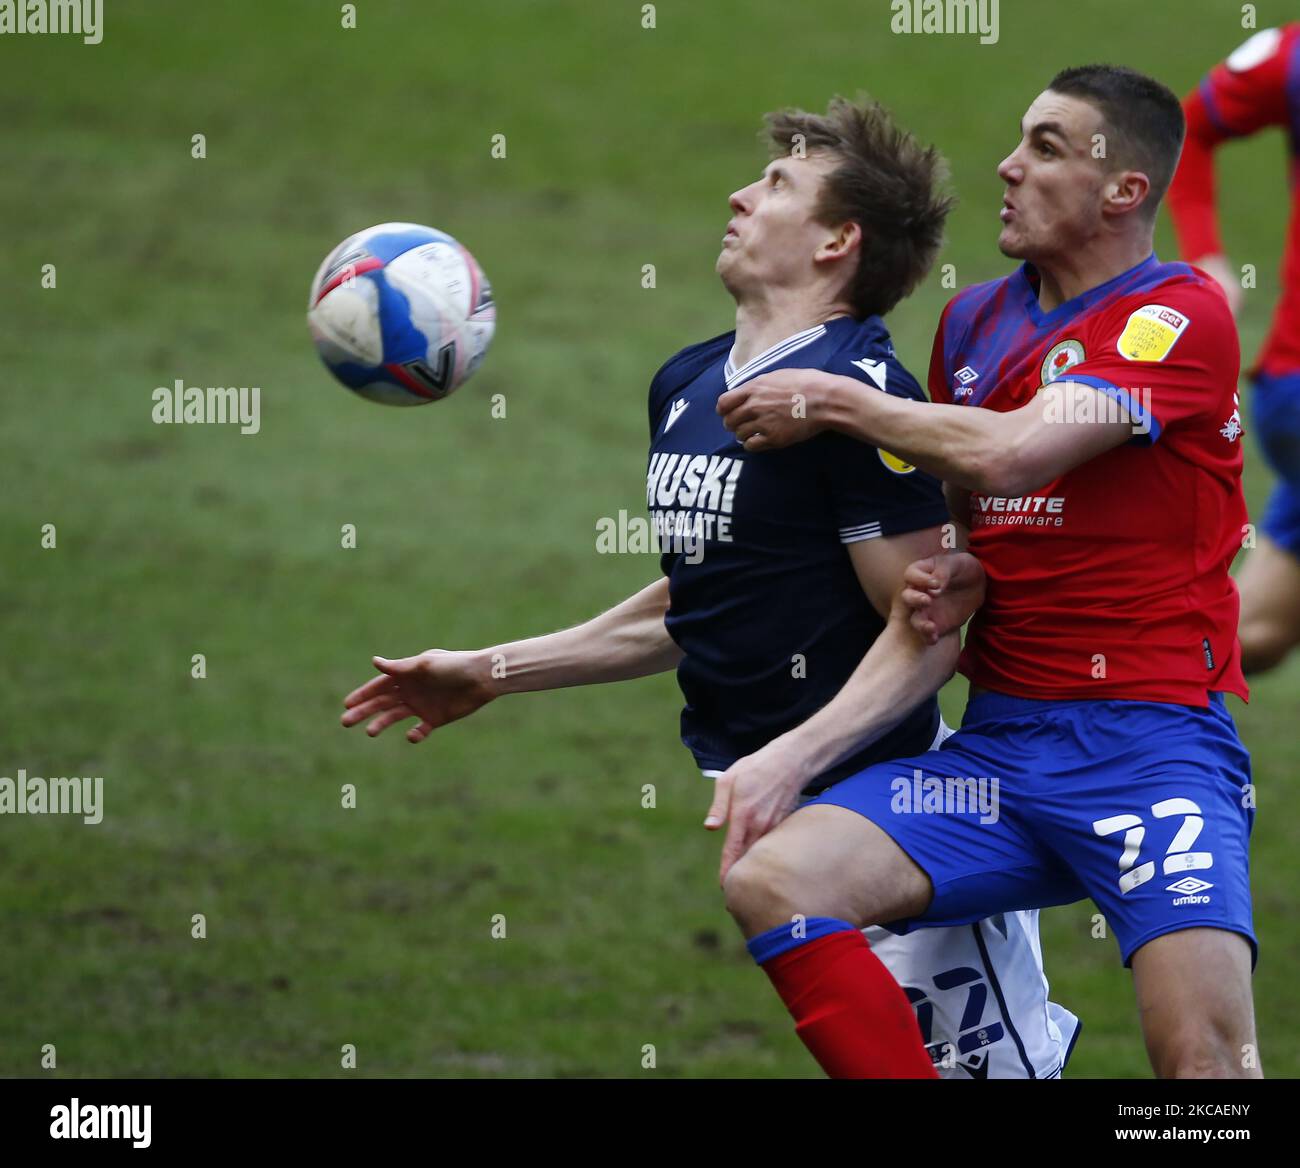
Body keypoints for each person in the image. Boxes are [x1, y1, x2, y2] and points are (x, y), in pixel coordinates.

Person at [341, 96, 1078, 1079]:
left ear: (835, 242)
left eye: (776, 186)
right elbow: (704, 597)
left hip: (891, 821)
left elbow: (929, 626)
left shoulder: (862, 401)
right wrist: (494, 668)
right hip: (786, 827)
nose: (738, 195)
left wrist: (792, 756)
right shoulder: (689, 386)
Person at [716, 66, 1258, 1079]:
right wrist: (952, 575)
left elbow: (1016, 452)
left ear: (1122, 191)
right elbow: (968, 517)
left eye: (1047, 147)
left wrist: (838, 401)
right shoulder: (971, 325)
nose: (1008, 165)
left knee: (1205, 1070)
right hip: (999, 757)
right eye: (1020, 139)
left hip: (1151, 750)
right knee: (777, 878)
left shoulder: (1178, 317)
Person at [1167, 25, 1300, 674]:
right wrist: (1206, 256)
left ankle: (1099, 672)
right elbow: (1188, 127)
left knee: (1256, 633)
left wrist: (1207, 256)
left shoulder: (1289, 52)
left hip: (1287, 395)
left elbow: (1187, 126)